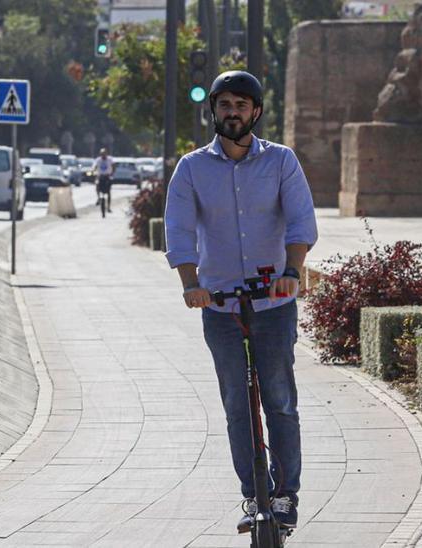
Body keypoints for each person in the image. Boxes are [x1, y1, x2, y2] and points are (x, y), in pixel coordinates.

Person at [163, 70, 318, 532]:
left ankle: (286, 494)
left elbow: (300, 221)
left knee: (279, 399)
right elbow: (179, 228)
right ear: (214, 110)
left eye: (242, 105)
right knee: (236, 402)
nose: (233, 112)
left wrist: (292, 272)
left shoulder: (282, 161)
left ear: (256, 112)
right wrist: (191, 283)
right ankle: (253, 495)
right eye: (225, 104)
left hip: (273, 303)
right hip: (220, 304)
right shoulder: (191, 168)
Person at [94, 148, 114, 212]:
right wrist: (94, 172)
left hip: (107, 176)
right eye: (102, 154)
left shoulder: (110, 159)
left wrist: (112, 173)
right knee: (97, 184)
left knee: (108, 192)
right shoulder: (98, 160)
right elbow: (95, 167)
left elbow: (113, 166)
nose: (103, 155)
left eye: (104, 154)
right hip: (100, 176)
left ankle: (108, 207)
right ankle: (98, 198)